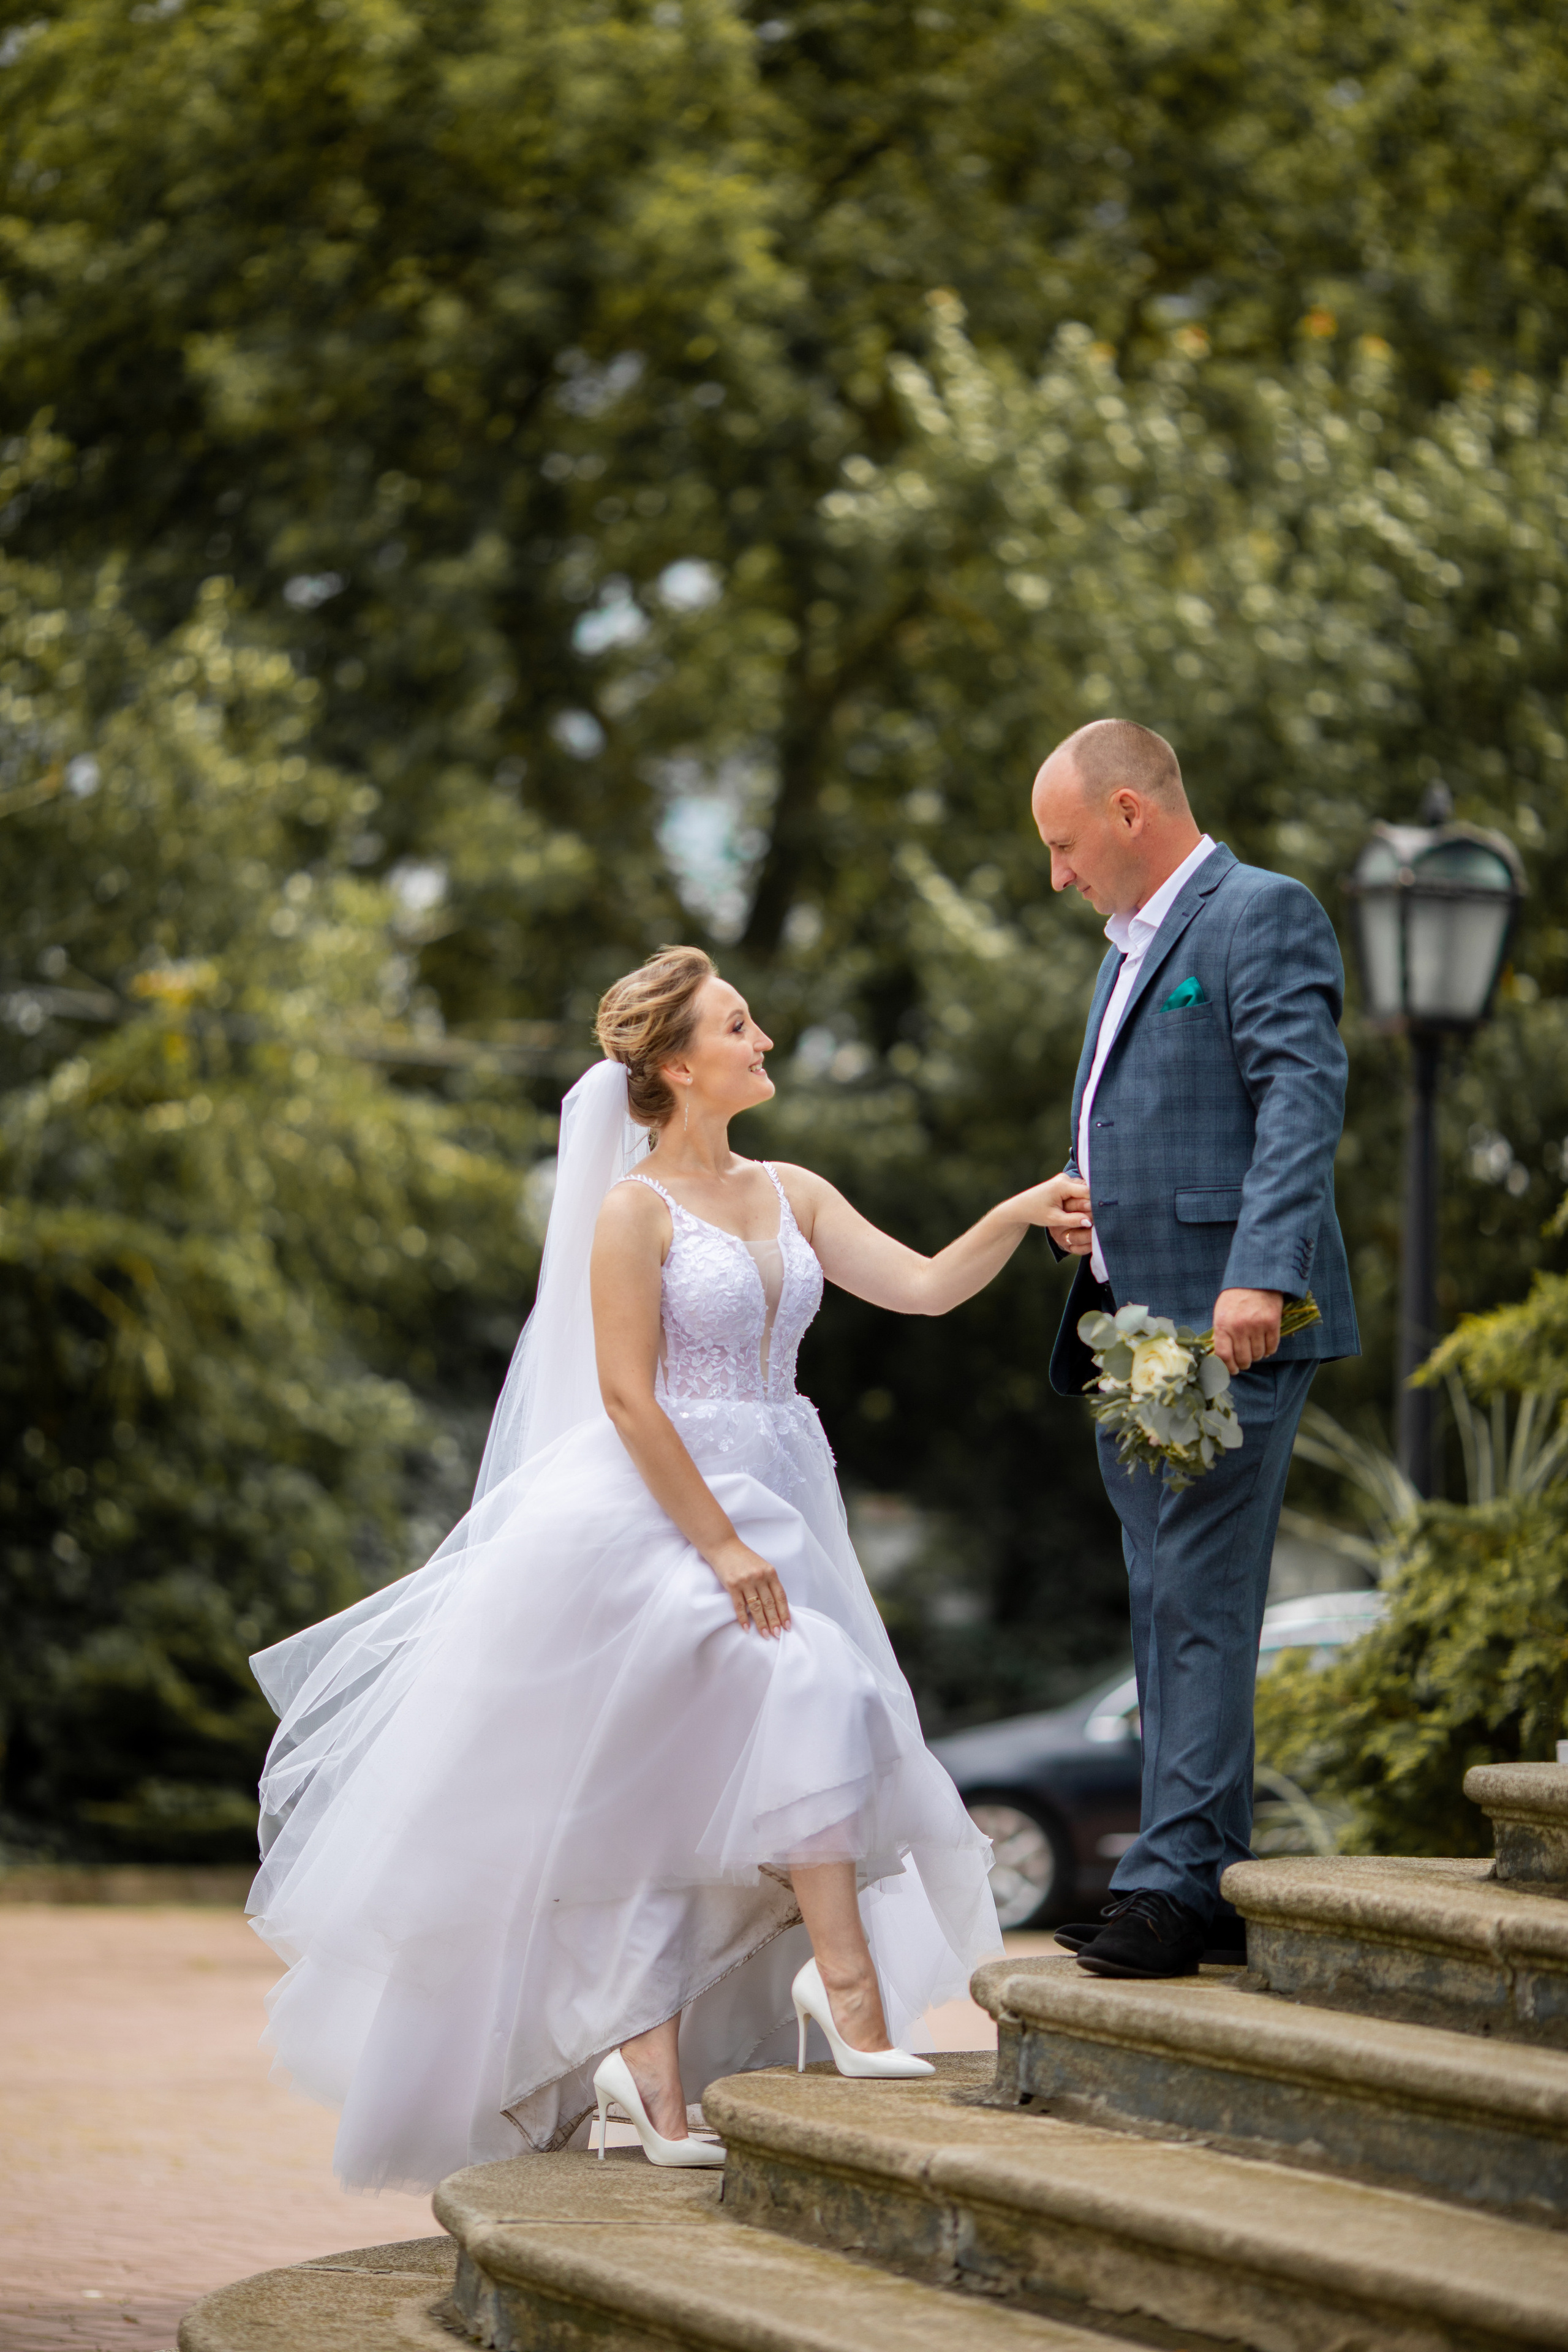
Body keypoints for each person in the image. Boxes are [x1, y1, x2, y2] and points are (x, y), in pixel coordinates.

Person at [247, 946, 1091, 2188]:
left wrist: (1013, 1219)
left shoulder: (792, 1189)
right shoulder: (630, 1212)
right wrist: (721, 1546)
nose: (763, 1040)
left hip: (784, 1496)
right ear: (676, 1064)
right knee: (788, 1706)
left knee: (688, 1800)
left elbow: (916, 1289)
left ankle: (652, 2077)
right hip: (651, 1514)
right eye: (737, 1025)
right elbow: (626, 1400)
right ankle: (840, 1997)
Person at [1031, 720, 1359, 1981]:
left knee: (1199, 1600)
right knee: (1167, 1599)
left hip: (1231, 1319)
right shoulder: (1127, 948)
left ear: (1127, 811)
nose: (1056, 876)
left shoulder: (1258, 912)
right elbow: (1156, 1114)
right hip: (1135, 1334)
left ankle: (1167, 1887)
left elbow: (1296, 1096)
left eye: (1063, 846)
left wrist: (1259, 1270)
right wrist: (1084, 1193)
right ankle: (1194, 1871)